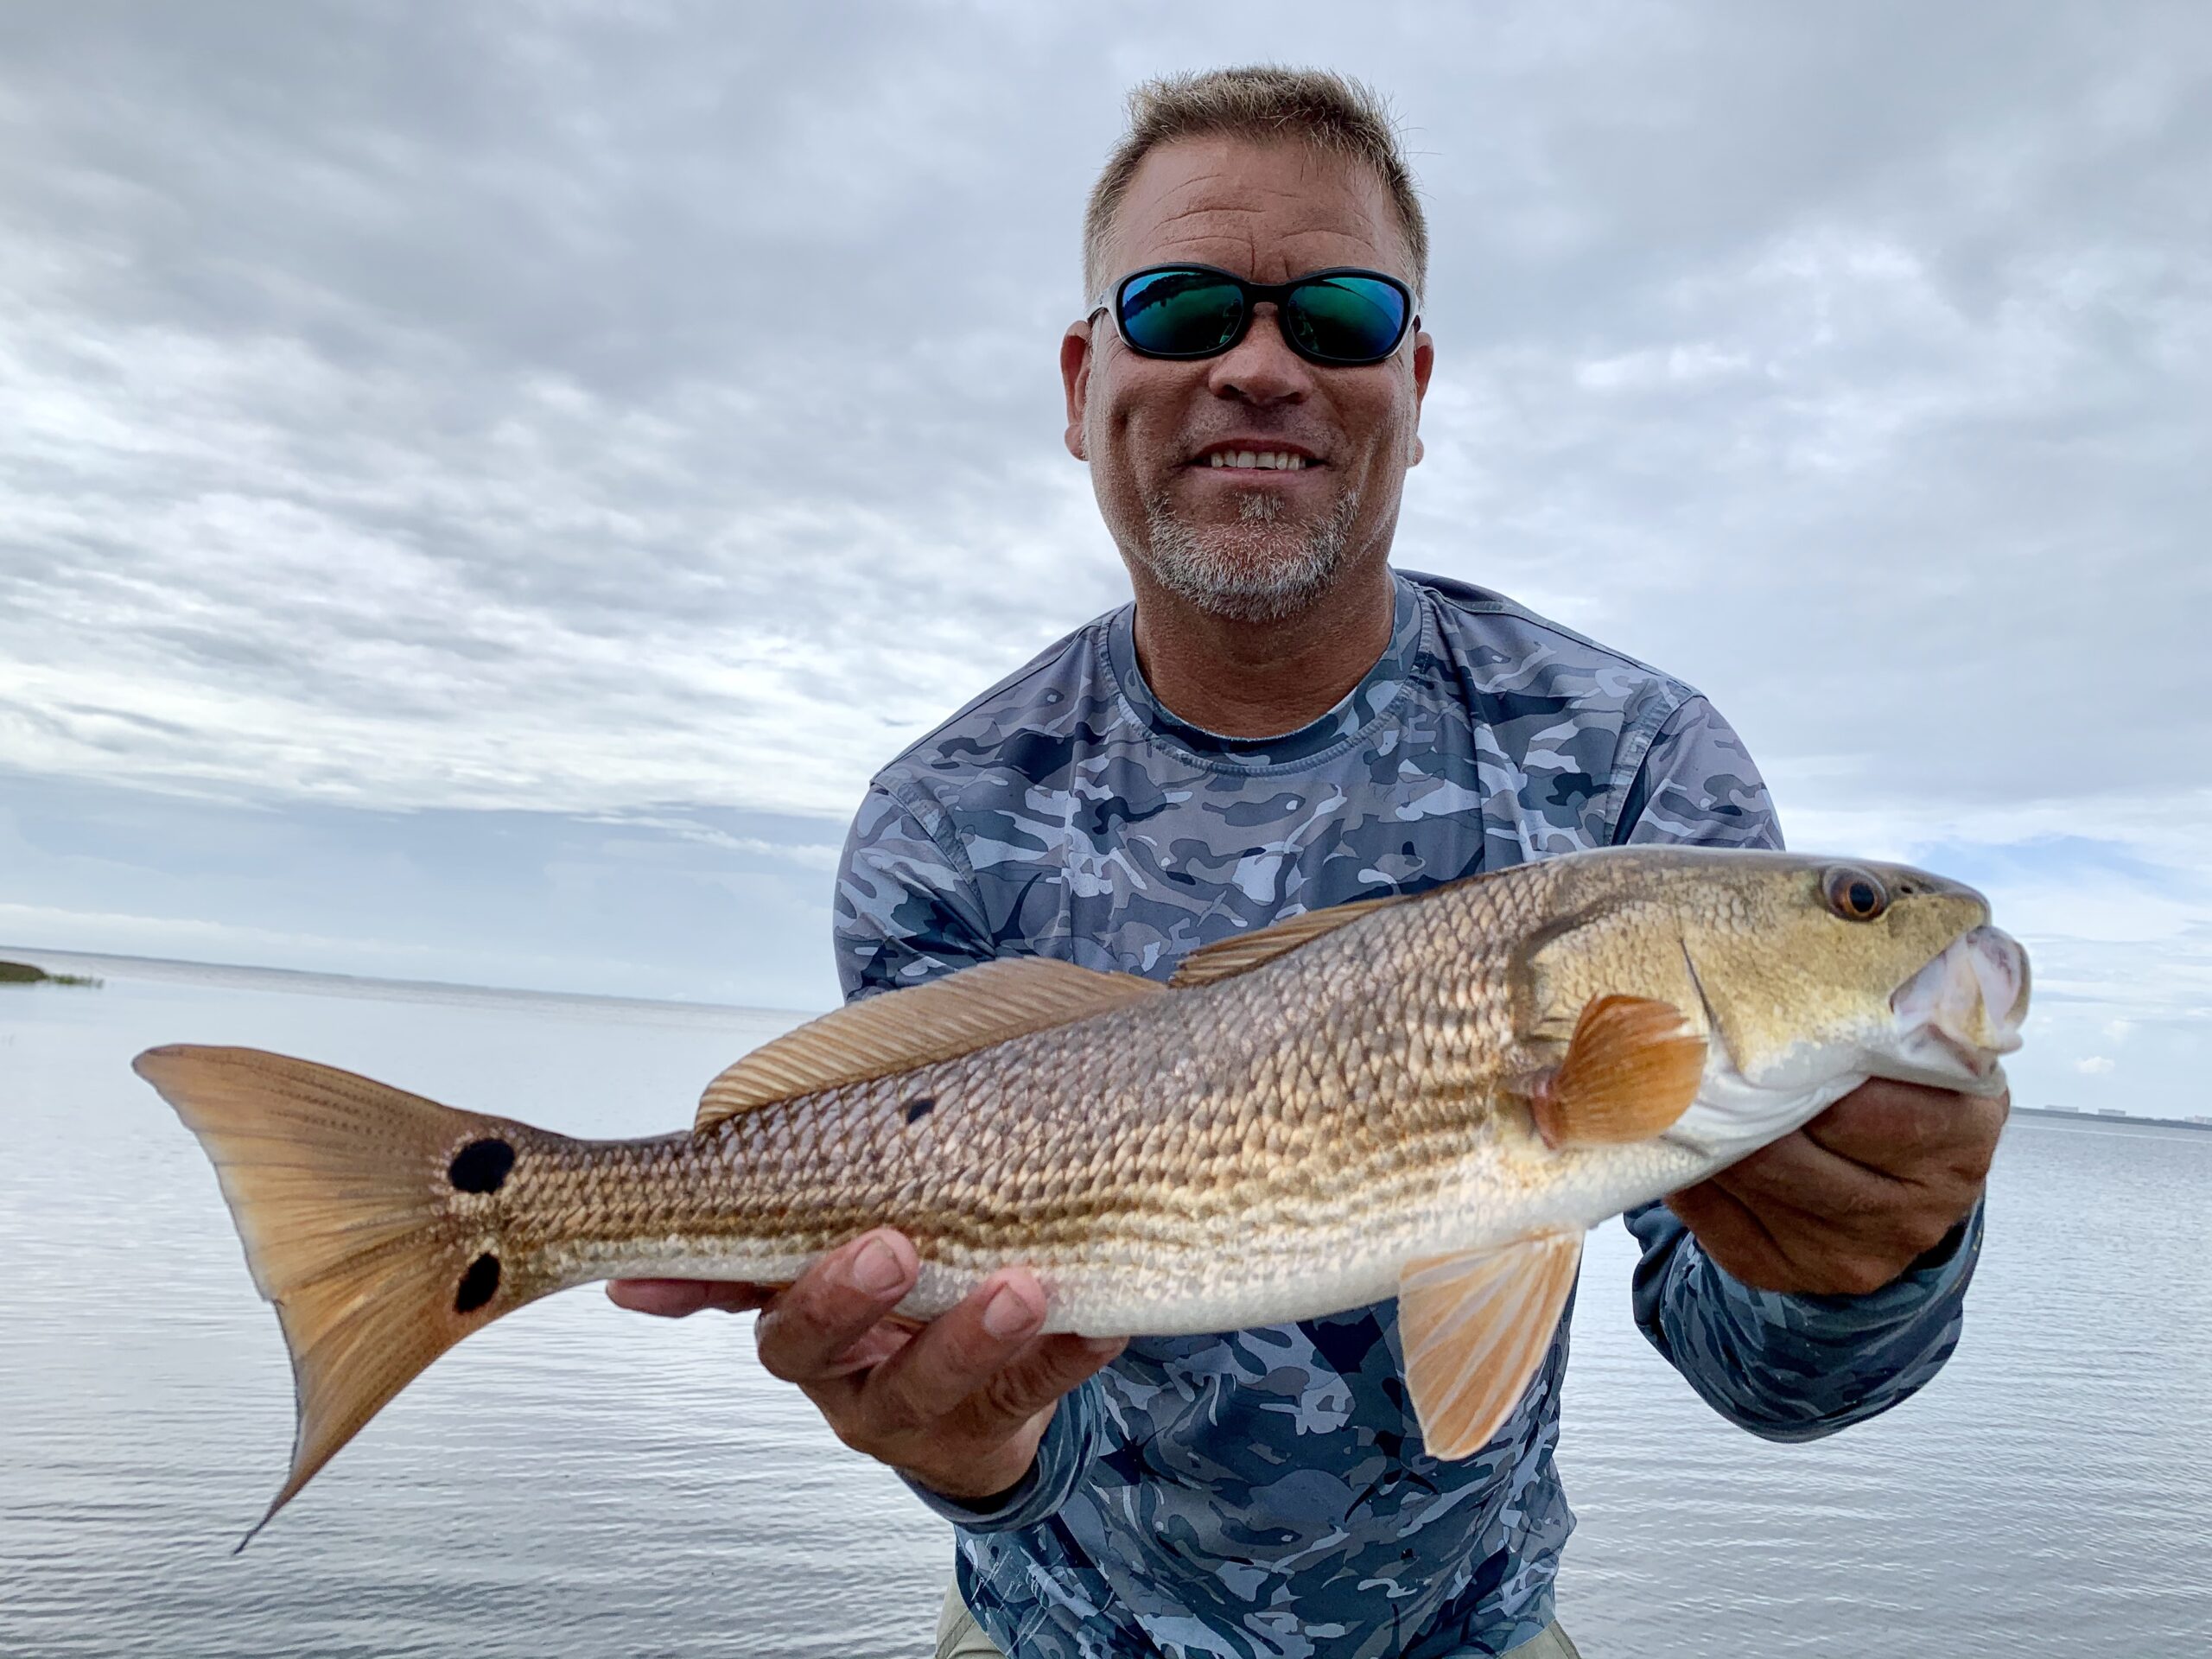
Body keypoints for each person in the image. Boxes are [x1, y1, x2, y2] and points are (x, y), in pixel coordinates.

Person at [612, 67, 2006, 1659]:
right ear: (1082, 383)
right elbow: (1017, 1425)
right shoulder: (944, 815)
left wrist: (1871, 1269)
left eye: (1338, 317)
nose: (1260, 365)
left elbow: (1763, 1379)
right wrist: (970, 1445)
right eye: (1183, 306)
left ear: (1414, 382)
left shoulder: (1636, 771)